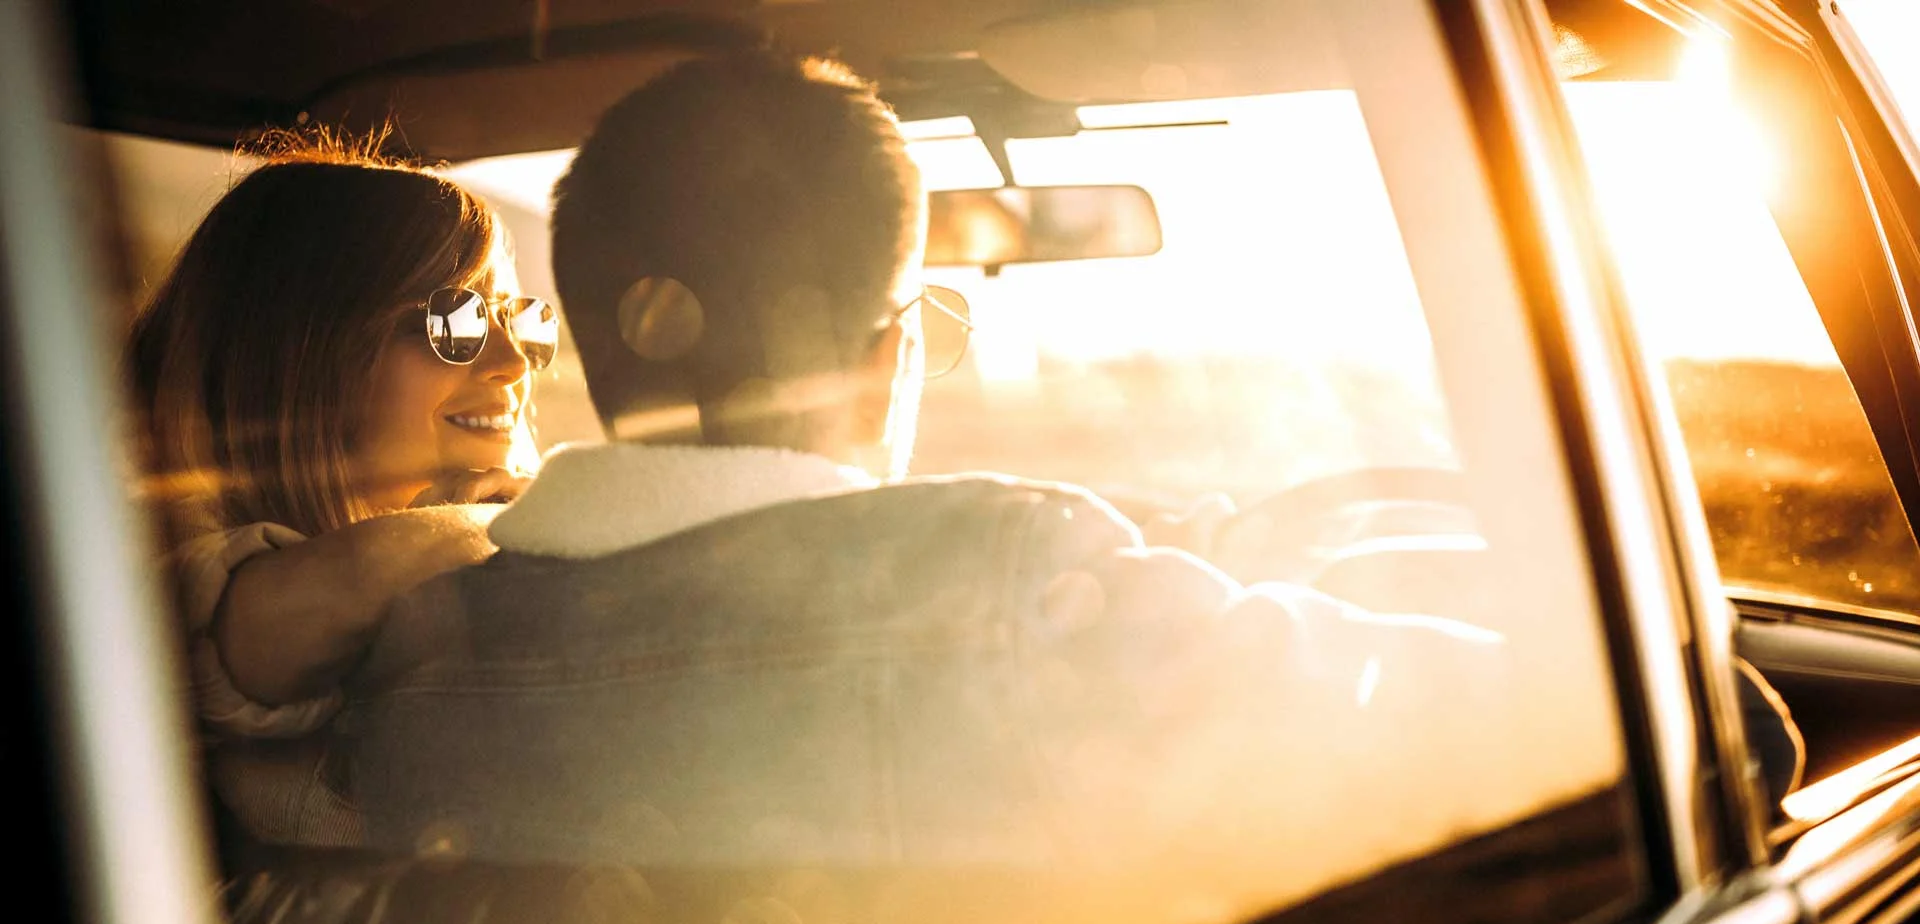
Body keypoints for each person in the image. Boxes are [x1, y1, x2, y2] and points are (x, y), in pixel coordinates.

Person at [341, 49, 1503, 874]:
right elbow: (1482, 728)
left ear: (602, 337)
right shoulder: (1017, 588)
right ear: (890, 354)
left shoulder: (404, 675)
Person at [129, 133, 560, 846]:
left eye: (520, 322)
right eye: (455, 321)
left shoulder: (449, 547)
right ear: (306, 347)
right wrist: (506, 524)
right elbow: (245, 624)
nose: (514, 363)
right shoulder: (140, 583)